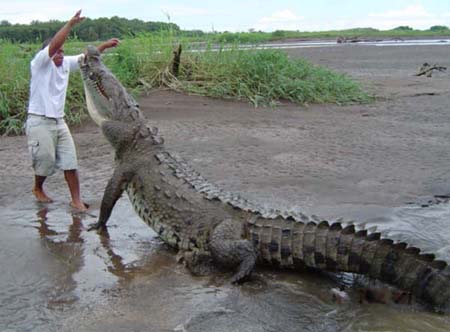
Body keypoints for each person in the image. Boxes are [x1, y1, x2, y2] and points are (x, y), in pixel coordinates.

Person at [25, 9, 119, 212]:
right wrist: (69, 24)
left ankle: (76, 200)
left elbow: (86, 57)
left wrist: (105, 45)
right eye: (57, 52)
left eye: (62, 52)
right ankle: (37, 187)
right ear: (48, 53)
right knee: (46, 161)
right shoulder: (40, 63)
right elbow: (54, 45)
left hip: (59, 121)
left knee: (70, 160)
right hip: (38, 120)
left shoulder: (65, 63)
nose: (60, 55)